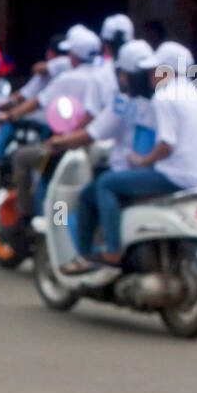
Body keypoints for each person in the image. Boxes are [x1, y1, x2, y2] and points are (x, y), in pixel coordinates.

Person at [91, 41, 197, 266]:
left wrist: (143, 161)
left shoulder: (164, 96)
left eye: (154, 70)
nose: (151, 75)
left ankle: (112, 250)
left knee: (105, 184)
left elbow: (166, 145)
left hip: (177, 177)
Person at [48, 38, 156, 274]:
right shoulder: (164, 99)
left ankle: (87, 255)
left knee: (90, 195)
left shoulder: (124, 102)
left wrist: (59, 141)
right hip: (158, 173)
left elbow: (91, 131)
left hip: (129, 173)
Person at [0, 25, 108, 221]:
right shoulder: (107, 74)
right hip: (100, 148)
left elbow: (37, 102)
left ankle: (28, 216)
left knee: (22, 158)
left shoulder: (68, 78)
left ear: (74, 55)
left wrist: (10, 116)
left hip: (72, 144)